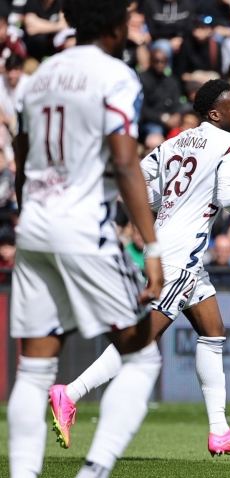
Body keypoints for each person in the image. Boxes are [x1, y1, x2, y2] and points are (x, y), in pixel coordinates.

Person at [49, 79, 230, 462]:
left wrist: (169, 200)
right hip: (181, 255)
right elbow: (228, 198)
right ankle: (70, 393)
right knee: (143, 340)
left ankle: (220, 430)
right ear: (215, 114)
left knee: (213, 332)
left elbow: (139, 182)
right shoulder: (229, 144)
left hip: (172, 248)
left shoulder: (175, 142)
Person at [8, 1, 165, 477]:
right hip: (82, 227)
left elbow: (21, 156)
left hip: (35, 226)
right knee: (141, 357)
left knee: (34, 369)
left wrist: (29, 213)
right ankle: (93, 471)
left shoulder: (40, 76)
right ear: (116, 28)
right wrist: (151, 247)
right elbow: (125, 163)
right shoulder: (115, 75)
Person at [140, 47, 182, 150]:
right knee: (155, 140)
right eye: (157, 61)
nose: (160, 65)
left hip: (171, 122)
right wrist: (163, 118)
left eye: (163, 62)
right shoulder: (141, 80)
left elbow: (177, 104)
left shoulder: (172, 82)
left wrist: (177, 115)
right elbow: (142, 109)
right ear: (150, 61)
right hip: (149, 122)